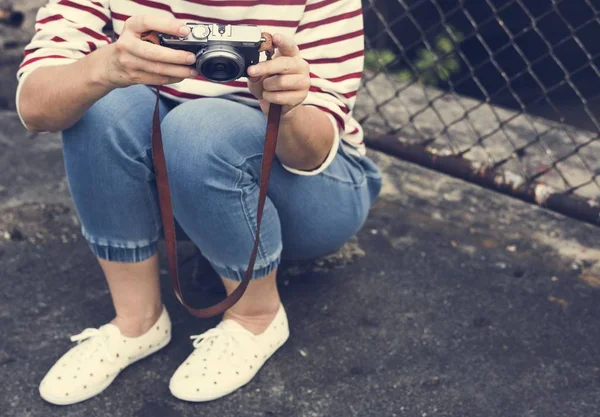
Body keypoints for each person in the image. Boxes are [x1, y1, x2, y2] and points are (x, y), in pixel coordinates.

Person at [16, 0, 382, 405]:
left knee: (197, 131)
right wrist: (106, 67)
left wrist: (288, 107)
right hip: (179, 191)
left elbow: (311, 156)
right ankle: (136, 321)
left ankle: (255, 317)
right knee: (94, 100)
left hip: (308, 191)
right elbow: (36, 109)